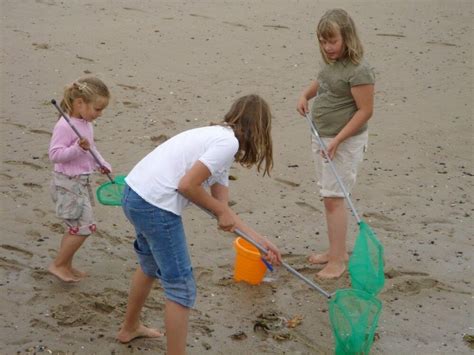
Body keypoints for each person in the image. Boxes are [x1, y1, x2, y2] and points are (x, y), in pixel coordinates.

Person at [116, 94, 282, 354]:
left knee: (149, 264)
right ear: (259, 129)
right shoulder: (226, 144)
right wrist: (219, 211)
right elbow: (187, 185)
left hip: (133, 194)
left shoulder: (218, 142)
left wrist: (260, 241)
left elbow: (223, 211)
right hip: (154, 205)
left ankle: (129, 327)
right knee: (181, 287)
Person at [296, 9, 375, 279]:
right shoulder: (331, 64)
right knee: (327, 195)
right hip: (323, 138)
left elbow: (365, 111)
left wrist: (339, 140)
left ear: (347, 38)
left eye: (333, 41)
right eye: (323, 41)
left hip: (344, 142)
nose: (328, 47)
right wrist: (305, 95)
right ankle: (334, 251)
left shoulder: (359, 70)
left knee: (334, 199)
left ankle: (339, 260)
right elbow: (322, 82)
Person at [48, 76, 112, 282]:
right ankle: (58, 265)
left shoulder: (86, 124)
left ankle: (66, 264)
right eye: (98, 109)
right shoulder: (65, 126)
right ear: (79, 103)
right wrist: (76, 148)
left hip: (81, 182)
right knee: (83, 228)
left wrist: (101, 162)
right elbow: (55, 155)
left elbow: (90, 148)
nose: (100, 114)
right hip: (67, 183)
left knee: (77, 227)